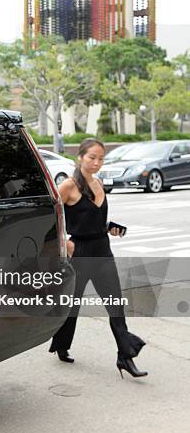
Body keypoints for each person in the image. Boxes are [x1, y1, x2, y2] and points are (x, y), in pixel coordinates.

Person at [48, 138, 147, 378]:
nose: (97, 162)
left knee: (115, 305)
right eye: (92, 157)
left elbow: (94, 219)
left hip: (103, 250)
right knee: (72, 304)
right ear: (80, 157)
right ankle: (61, 344)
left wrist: (110, 227)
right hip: (80, 254)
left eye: (101, 158)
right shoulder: (69, 186)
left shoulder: (99, 183)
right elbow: (51, 219)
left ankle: (125, 356)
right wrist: (66, 244)